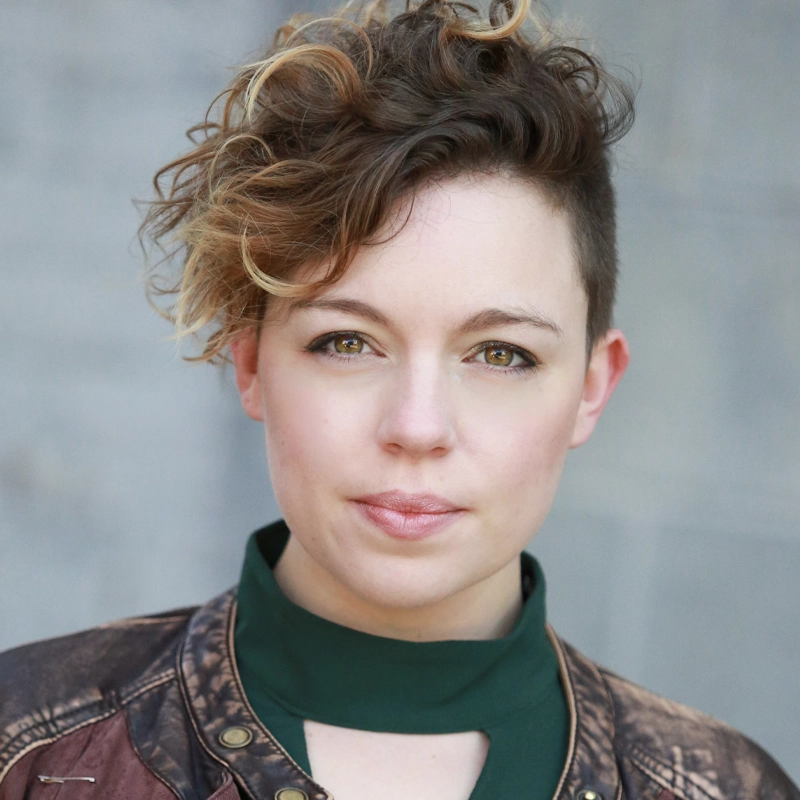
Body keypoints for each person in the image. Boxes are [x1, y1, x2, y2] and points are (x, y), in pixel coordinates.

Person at [0, 0, 797, 798]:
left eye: (500, 354)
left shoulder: (727, 788)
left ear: (592, 388)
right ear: (249, 364)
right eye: (346, 342)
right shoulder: (27, 749)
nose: (417, 428)